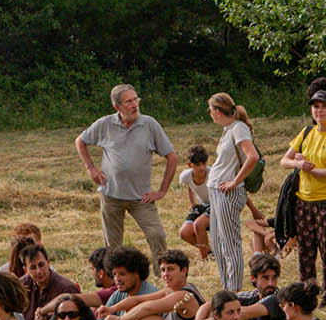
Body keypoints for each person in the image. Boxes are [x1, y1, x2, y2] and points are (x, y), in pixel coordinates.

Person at [75, 84, 178, 257]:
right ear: (117, 107)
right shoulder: (105, 124)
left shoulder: (149, 124)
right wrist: (91, 168)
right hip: (111, 195)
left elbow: (172, 157)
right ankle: (115, 281)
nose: (134, 104)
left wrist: (162, 191)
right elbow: (80, 141)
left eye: (136, 99)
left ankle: (163, 276)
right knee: (112, 247)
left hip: (141, 198)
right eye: (128, 101)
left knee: (157, 235)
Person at [282, 89, 326, 304]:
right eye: (315, 107)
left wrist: (310, 170)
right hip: (304, 201)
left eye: (324, 106)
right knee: (306, 253)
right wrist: (298, 164)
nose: (319, 110)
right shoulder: (307, 131)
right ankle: (307, 295)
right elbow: (284, 160)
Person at [199, 92, 262, 294]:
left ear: (217, 112)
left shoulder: (239, 128)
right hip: (216, 189)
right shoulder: (229, 129)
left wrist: (236, 181)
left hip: (228, 193)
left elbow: (252, 156)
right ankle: (226, 286)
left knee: (230, 242)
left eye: (210, 110)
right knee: (217, 243)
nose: (210, 114)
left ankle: (234, 289)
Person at [105, 249, 204, 320]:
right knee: (130, 316)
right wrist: (111, 309)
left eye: (171, 269)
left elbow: (148, 308)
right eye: (163, 270)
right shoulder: (169, 290)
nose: (165, 274)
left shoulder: (184, 295)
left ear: (184, 271)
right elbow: (137, 300)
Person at [18, 243, 81, 320]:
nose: (39, 271)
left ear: (48, 263)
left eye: (41, 265)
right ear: (26, 270)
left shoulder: (65, 287)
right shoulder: (23, 284)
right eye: (33, 267)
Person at [175, 146, 213, 254]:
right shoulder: (185, 176)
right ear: (190, 165)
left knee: (199, 224)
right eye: (197, 165)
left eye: (204, 164)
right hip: (203, 205)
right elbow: (189, 185)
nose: (202, 168)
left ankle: (205, 259)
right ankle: (209, 252)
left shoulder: (213, 173)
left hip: (216, 204)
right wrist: (192, 202)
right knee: (184, 233)